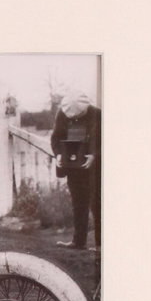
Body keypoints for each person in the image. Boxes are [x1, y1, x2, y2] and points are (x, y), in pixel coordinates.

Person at [51, 91, 101, 249]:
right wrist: (59, 154)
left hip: (95, 169)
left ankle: (101, 244)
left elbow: (107, 140)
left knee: (97, 203)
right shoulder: (62, 114)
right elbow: (56, 138)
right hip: (73, 167)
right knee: (78, 203)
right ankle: (78, 242)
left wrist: (94, 156)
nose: (74, 119)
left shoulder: (98, 115)